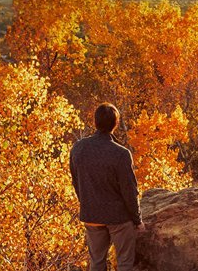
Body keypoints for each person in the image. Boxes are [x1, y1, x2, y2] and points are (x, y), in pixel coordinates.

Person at [70, 103, 144, 271]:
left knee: (96, 262)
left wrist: (88, 202)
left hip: (91, 215)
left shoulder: (78, 148)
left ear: (95, 122)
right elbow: (129, 190)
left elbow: (76, 182)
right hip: (118, 218)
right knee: (124, 262)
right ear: (115, 124)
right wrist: (137, 220)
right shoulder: (121, 153)